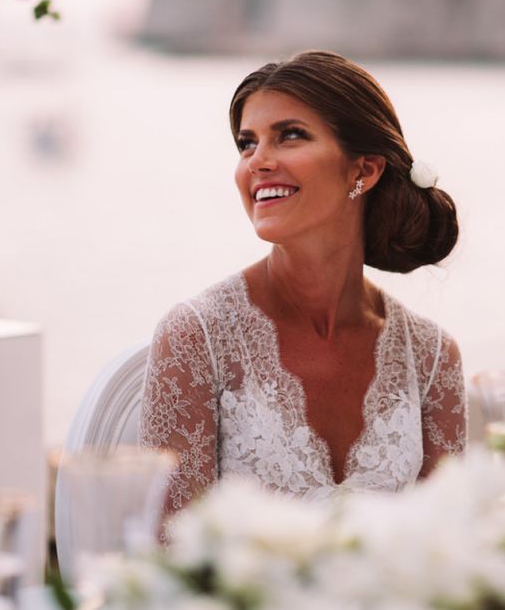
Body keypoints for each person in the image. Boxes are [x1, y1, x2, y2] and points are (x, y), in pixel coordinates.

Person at [139, 51, 467, 513]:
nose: (258, 161)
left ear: (364, 170)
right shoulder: (197, 336)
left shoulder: (432, 357)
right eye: (247, 144)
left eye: (289, 135)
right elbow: (170, 550)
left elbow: (449, 544)